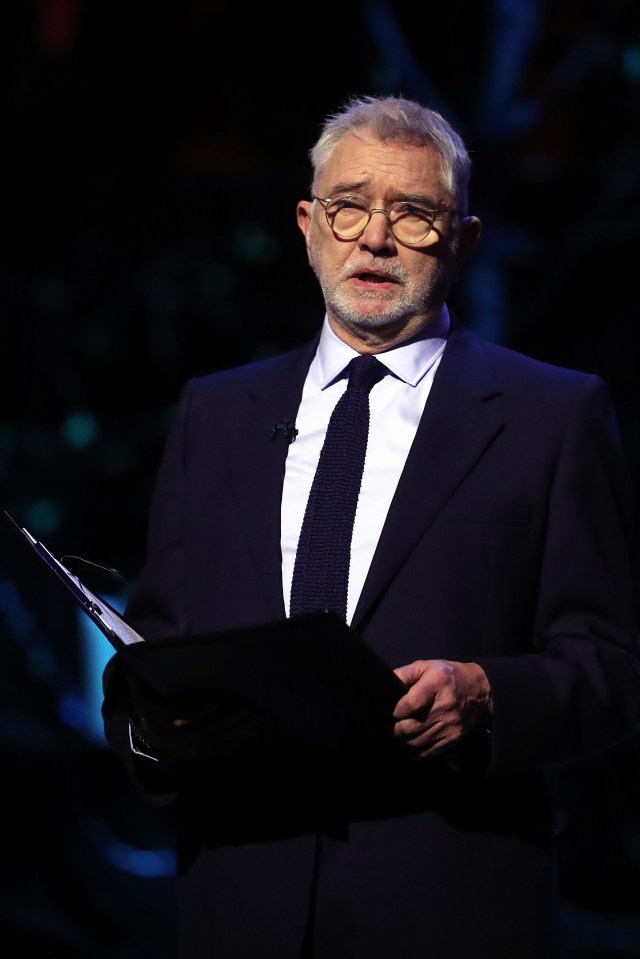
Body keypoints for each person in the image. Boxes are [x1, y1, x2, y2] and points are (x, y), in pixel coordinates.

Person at [102, 94, 640, 959]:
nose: (376, 238)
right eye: (350, 206)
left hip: (450, 906)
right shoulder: (215, 413)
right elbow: (157, 648)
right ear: (310, 226)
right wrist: (152, 734)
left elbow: (612, 665)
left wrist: (492, 696)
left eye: (414, 215)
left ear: (461, 240)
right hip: (240, 901)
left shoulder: (554, 415)